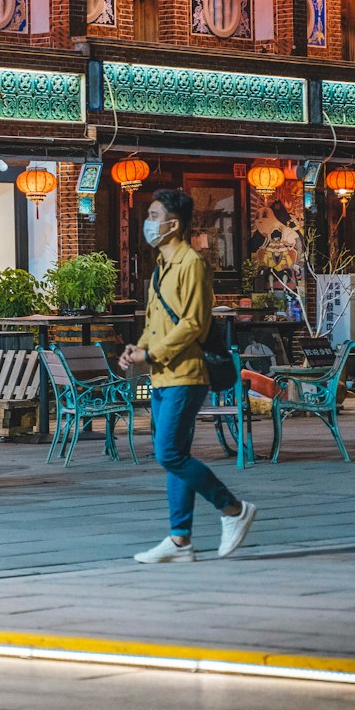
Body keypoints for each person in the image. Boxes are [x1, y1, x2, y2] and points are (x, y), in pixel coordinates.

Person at [120, 189, 256, 563]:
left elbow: (194, 324)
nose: (148, 223)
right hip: (163, 377)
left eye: (153, 215)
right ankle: (180, 541)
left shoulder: (191, 264)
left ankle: (233, 509)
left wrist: (153, 352)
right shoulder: (160, 269)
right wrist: (137, 351)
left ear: (173, 224)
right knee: (174, 455)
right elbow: (155, 323)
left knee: (168, 453)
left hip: (187, 375)